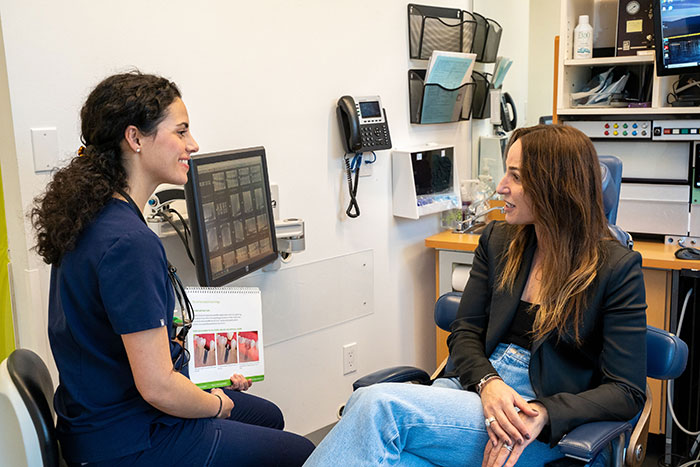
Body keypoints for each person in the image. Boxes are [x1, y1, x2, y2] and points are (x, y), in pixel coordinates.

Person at [303, 124, 647, 467]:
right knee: (390, 454)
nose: (501, 188)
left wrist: (543, 413)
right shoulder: (499, 241)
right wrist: (488, 383)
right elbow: (465, 331)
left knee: (374, 406)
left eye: (516, 176)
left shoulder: (616, 268)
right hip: (475, 388)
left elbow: (626, 391)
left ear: (553, 187)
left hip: (537, 420)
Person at [31, 72, 315, 466]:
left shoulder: (91, 216)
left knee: (269, 417)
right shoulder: (130, 242)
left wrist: (206, 382)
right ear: (135, 139)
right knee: (304, 453)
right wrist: (214, 404)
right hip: (131, 441)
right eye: (181, 132)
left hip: (95, 423)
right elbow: (159, 389)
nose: (193, 145)